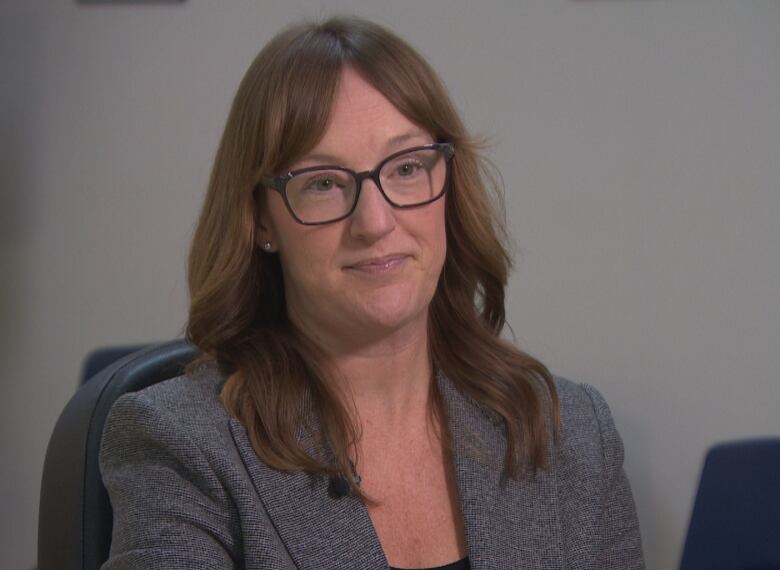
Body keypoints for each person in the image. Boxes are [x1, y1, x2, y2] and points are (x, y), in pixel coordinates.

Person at [99, 16, 645, 570]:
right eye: (323, 183)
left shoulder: (570, 432)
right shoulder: (183, 446)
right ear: (261, 220)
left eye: (406, 167)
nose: (376, 221)